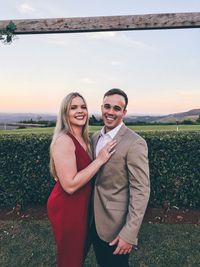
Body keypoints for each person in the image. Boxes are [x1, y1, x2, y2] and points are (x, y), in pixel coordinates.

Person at [47, 92, 116, 267]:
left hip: (81, 205)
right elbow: (69, 185)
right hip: (67, 207)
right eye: (73, 107)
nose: (80, 111)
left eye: (83, 107)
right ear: (65, 113)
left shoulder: (86, 138)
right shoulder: (64, 140)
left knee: (78, 255)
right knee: (70, 259)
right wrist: (100, 160)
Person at [91, 88, 150, 267]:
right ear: (101, 108)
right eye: (107, 106)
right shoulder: (94, 137)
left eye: (117, 108)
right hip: (93, 219)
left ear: (124, 113)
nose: (110, 112)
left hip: (116, 226)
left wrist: (129, 234)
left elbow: (141, 189)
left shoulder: (135, 142)